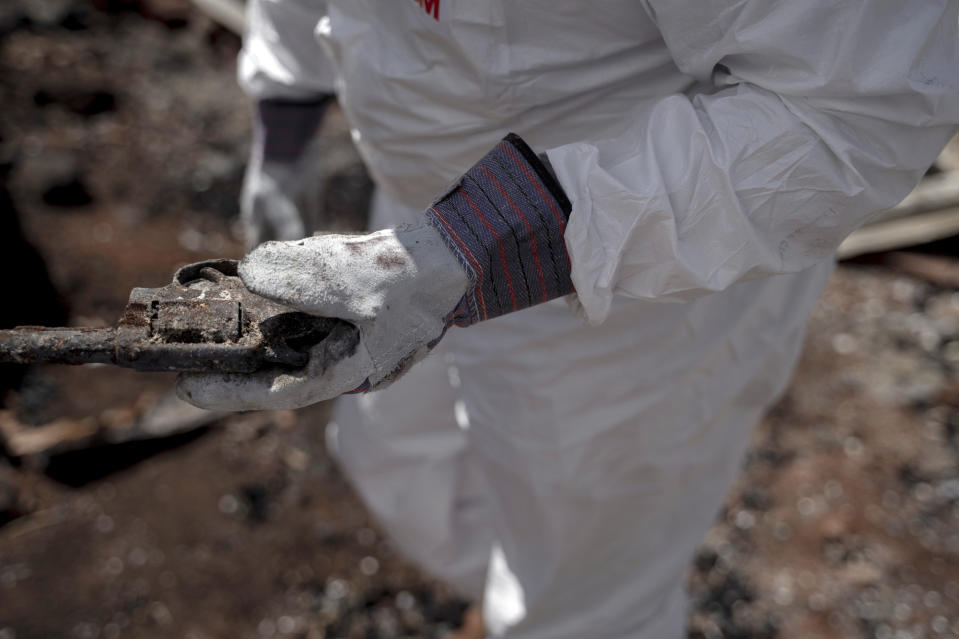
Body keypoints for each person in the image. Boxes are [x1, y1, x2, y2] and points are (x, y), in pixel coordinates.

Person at [178, 2, 959, 637]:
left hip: (640, 270)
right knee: (391, 453)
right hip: (409, 220)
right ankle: (507, 590)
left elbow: (853, 106)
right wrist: (285, 117)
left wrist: (481, 242)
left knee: (584, 600)